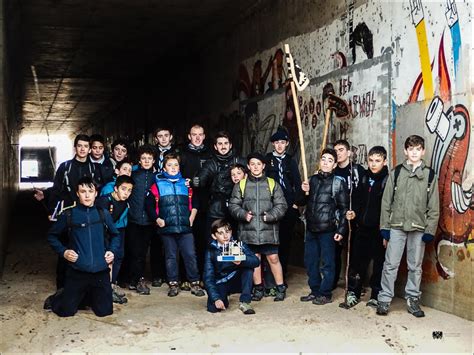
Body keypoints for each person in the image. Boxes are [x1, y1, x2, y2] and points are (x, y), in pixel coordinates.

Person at [376, 135, 439, 317]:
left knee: (415, 266)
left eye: (417, 149)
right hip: (396, 226)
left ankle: (412, 299)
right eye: (411, 149)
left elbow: (434, 206)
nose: (414, 152)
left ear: (423, 151)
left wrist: (429, 230)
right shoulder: (396, 173)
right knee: (390, 264)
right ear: (405, 151)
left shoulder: (429, 175)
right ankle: (384, 299)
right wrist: (385, 227)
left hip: (418, 228)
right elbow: (386, 202)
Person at [44, 177, 120, 317]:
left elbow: (116, 235)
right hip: (78, 271)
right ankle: (59, 296)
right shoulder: (69, 214)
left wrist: (111, 251)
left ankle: (87, 296)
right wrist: (64, 251)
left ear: (95, 193)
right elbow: (52, 236)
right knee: (66, 312)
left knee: (105, 312)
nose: (87, 195)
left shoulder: (103, 213)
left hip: (100, 271)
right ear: (77, 194)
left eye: (90, 191)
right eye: (83, 191)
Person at [228, 152, 288, 301]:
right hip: (249, 231)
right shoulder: (241, 185)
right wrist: (243, 214)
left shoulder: (272, 183)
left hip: (269, 230)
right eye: (252, 164)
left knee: (273, 258)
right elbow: (233, 205)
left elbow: (281, 205)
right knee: (255, 260)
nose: (255, 167)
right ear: (248, 167)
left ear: (263, 166)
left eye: (258, 164)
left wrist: (271, 216)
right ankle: (258, 288)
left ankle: (280, 287)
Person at [145, 154, 206, 298]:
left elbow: (195, 202)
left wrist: (192, 217)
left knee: (190, 255)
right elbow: (148, 204)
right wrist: (157, 219)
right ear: (164, 167)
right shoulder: (157, 184)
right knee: (171, 257)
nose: (173, 168)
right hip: (167, 228)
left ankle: (194, 282)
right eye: (169, 165)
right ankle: (173, 283)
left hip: (185, 227)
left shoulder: (186, 184)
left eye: (176, 165)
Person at [299, 148, 348, 305]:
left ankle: (325, 293)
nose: (326, 163)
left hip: (328, 230)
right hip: (311, 229)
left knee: (328, 263)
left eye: (330, 160)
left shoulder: (338, 183)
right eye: (324, 159)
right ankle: (315, 290)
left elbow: (344, 208)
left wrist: (341, 230)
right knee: (310, 262)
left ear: (334, 165)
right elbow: (300, 202)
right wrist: (303, 191)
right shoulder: (312, 180)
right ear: (320, 162)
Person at [344, 146, 389, 308]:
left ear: (385, 162)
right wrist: (353, 212)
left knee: (379, 264)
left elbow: (390, 207)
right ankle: (353, 293)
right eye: (371, 160)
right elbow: (357, 199)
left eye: (377, 161)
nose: (373, 164)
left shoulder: (387, 181)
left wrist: (386, 232)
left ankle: (376, 295)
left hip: (378, 230)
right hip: (361, 228)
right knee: (357, 263)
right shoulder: (363, 178)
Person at [265, 127, 303, 285]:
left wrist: (296, 203)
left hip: (288, 206)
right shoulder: (266, 160)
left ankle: (283, 274)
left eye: (283, 142)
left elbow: (298, 183)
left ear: (287, 144)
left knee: (285, 241)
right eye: (277, 143)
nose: (280, 145)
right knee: (270, 241)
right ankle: (270, 278)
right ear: (273, 144)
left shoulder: (290, 161)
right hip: (271, 205)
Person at [178, 124, 212, 290]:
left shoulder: (210, 154)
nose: (197, 137)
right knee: (186, 242)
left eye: (200, 134)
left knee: (204, 241)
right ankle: (186, 277)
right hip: (187, 204)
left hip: (207, 204)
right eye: (194, 134)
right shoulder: (183, 154)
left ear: (204, 136)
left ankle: (204, 277)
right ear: (189, 136)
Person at [196, 131, 246, 242]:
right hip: (217, 208)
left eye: (226, 143)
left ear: (230, 145)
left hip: (238, 206)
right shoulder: (210, 163)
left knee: (236, 242)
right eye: (220, 144)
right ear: (215, 146)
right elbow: (201, 181)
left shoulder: (241, 161)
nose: (223, 146)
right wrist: (195, 181)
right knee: (214, 242)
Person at [204, 219, 260, 315]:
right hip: (221, 280)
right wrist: (216, 298)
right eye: (221, 233)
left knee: (248, 268)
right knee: (213, 308)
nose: (225, 236)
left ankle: (245, 302)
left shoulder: (239, 245)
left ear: (231, 232)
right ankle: (224, 297)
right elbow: (208, 277)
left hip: (236, 279)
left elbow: (256, 262)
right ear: (214, 236)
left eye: (227, 232)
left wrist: (241, 261)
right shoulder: (211, 251)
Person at [96, 175, 135, 304]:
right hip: (102, 234)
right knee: (108, 259)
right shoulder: (104, 201)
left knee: (119, 256)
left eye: (129, 190)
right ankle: (105, 289)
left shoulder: (125, 203)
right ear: (115, 188)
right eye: (123, 189)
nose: (126, 193)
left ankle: (112, 285)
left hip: (116, 232)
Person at [333, 139, 365, 289]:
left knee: (354, 253)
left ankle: (354, 285)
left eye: (341, 150)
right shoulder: (332, 172)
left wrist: (357, 212)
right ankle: (332, 281)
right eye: (336, 150)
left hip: (354, 217)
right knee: (334, 251)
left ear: (349, 152)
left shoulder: (358, 170)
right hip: (337, 217)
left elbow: (363, 195)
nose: (338, 153)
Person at [126, 144, 157, 295]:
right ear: (139, 160)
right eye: (143, 158)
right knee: (133, 250)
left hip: (149, 221)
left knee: (143, 251)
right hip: (134, 219)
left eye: (149, 158)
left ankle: (138, 279)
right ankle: (133, 279)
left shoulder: (156, 177)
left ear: (154, 160)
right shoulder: (133, 176)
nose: (146, 161)